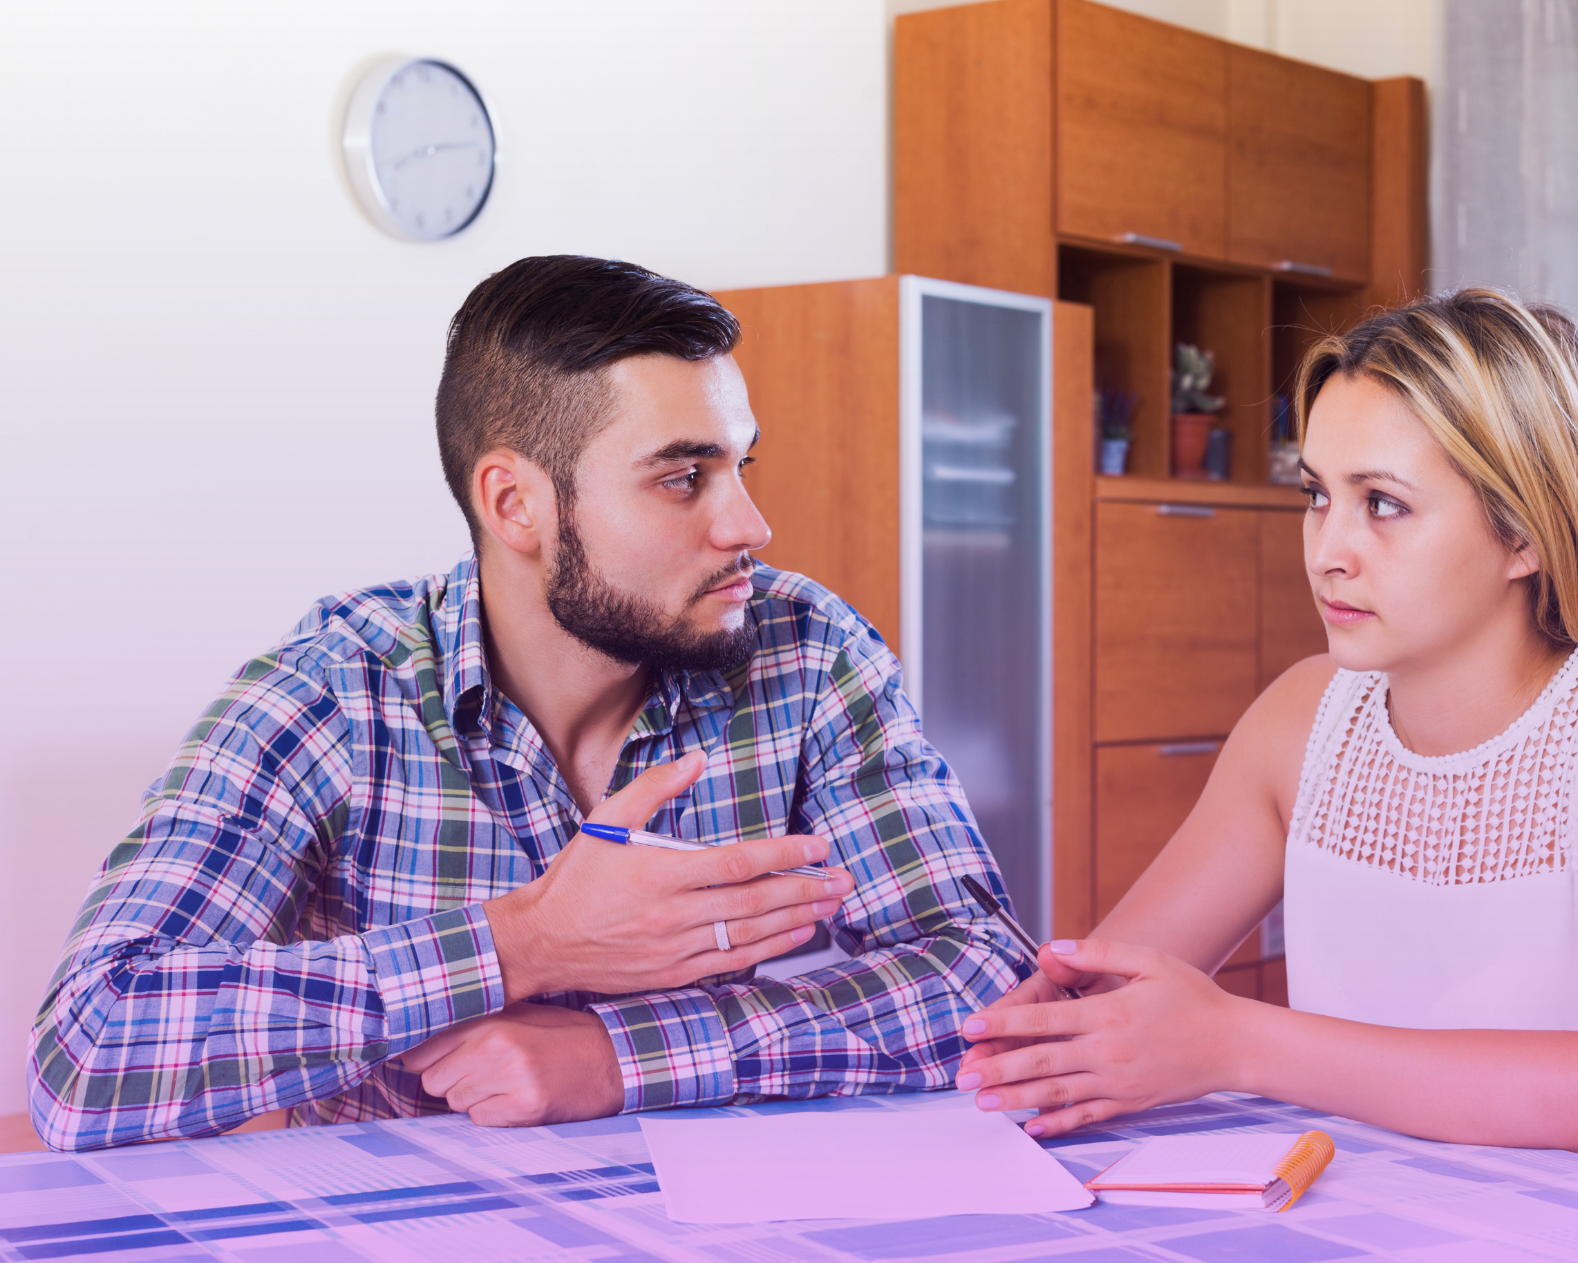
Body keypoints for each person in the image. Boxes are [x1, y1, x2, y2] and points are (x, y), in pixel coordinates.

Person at [30, 256, 1027, 1151]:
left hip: (721, 1225)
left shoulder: (804, 652)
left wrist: (619, 1054)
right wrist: (524, 942)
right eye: (683, 477)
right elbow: (88, 1049)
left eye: (740, 464)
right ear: (516, 504)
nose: (750, 523)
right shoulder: (334, 691)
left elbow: (985, 973)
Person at [955, 288, 1578, 1204]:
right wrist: (1049, 1031)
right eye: (1317, 495)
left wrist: (1239, 1041)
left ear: (1522, 530)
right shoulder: (1304, 716)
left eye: (1385, 505)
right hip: (1416, 1221)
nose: (1330, 549)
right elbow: (1106, 1000)